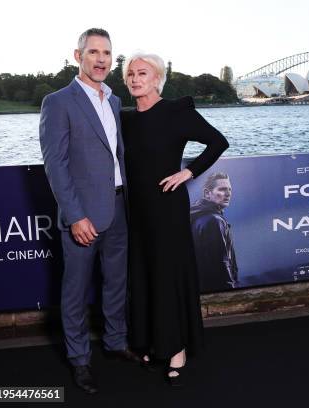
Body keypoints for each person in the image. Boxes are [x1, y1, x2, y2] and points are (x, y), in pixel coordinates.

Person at [39, 28, 139, 395]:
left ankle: (116, 342)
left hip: (118, 206)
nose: (101, 59)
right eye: (93, 52)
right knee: (76, 290)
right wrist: (75, 215)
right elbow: (56, 165)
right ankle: (80, 361)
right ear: (77, 55)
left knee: (116, 283)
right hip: (83, 213)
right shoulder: (58, 101)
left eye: (107, 53)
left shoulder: (113, 100)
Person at [121, 52, 229, 386]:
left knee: (168, 275)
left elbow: (218, 142)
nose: (135, 79)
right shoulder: (123, 118)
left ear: (157, 79)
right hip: (135, 208)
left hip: (167, 207)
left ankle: (177, 347)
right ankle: (153, 342)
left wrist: (188, 172)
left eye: (143, 73)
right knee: (144, 274)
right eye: (130, 74)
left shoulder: (176, 112)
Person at [190, 172, 239, 291]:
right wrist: (230, 290)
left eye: (229, 190)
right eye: (222, 189)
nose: (228, 194)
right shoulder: (214, 221)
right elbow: (221, 263)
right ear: (207, 193)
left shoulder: (197, 215)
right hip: (216, 289)